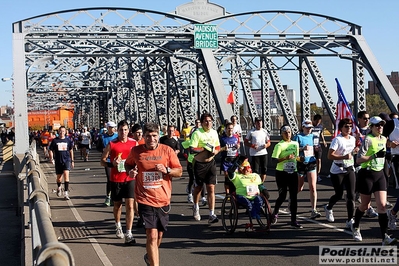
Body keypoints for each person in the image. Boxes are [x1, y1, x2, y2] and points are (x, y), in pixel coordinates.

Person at [124, 122, 182, 266]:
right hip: (144, 199)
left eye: (154, 136)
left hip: (163, 199)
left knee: (159, 235)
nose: (151, 139)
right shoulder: (136, 151)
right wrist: (130, 172)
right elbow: (128, 164)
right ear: (143, 136)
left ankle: (150, 256)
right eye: (148, 136)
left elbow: (179, 172)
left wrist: (167, 170)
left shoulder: (167, 151)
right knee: (152, 234)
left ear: (159, 136)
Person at [351, 116, 397, 245]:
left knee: (382, 206)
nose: (380, 127)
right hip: (367, 174)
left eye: (381, 125)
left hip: (380, 174)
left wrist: (386, 161)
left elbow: (385, 148)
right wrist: (374, 156)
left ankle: (385, 237)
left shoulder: (383, 138)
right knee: (364, 206)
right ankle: (356, 226)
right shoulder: (368, 140)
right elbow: (358, 159)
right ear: (371, 127)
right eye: (377, 125)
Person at [100, 120, 138, 245]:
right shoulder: (112, 144)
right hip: (116, 178)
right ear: (118, 131)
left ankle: (129, 232)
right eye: (121, 130)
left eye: (126, 130)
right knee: (117, 205)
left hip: (130, 178)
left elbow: (139, 159)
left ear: (129, 131)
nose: (123, 132)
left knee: (130, 205)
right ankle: (118, 225)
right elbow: (102, 161)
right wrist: (112, 164)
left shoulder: (134, 143)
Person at [324, 118, 358, 229]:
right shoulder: (337, 140)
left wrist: (355, 151)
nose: (348, 129)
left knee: (351, 195)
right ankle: (329, 207)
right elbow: (329, 156)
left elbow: (351, 153)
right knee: (338, 194)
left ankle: (349, 220)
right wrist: (343, 157)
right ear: (341, 128)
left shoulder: (352, 139)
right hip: (337, 170)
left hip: (349, 169)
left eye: (350, 126)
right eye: (346, 126)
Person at [190, 113, 221, 223]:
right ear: (202, 123)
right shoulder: (197, 133)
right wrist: (204, 149)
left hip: (211, 163)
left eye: (210, 121)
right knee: (198, 188)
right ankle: (196, 206)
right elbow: (192, 149)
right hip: (199, 164)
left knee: (211, 188)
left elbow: (217, 146)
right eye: (206, 121)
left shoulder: (214, 132)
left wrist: (216, 151)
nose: (208, 123)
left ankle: (211, 214)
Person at [271, 125, 302, 228]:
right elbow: (274, 160)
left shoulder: (295, 144)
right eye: (285, 133)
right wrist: (285, 158)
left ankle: (293, 220)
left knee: (294, 197)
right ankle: (275, 212)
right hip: (281, 173)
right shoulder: (279, 145)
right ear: (281, 134)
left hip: (293, 172)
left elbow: (296, 157)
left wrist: (300, 159)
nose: (288, 134)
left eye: (289, 132)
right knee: (282, 196)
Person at [293, 120, 321, 219]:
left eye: (310, 128)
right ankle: (291, 199)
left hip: (311, 162)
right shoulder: (298, 137)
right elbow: (293, 150)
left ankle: (313, 209)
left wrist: (317, 149)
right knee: (300, 187)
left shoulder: (313, 137)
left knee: (313, 187)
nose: (309, 129)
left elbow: (317, 146)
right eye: (307, 128)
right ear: (303, 127)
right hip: (301, 162)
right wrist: (301, 149)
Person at [356, 111, 379, 217]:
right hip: (358, 160)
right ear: (359, 119)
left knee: (367, 188)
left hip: (370, 162)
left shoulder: (371, 130)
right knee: (362, 189)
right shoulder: (354, 130)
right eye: (365, 118)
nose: (367, 120)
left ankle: (368, 208)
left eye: (368, 118)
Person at [48, 126, 74, 200]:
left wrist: (72, 160)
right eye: (60, 131)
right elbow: (50, 150)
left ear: (65, 132)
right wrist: (51, 158)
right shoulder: (55, 141)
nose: (61, 132)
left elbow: (71, 150)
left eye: (63, 131)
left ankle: (66, 193)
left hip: (66, 160)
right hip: (58, 161)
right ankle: (59, 187)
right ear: (58, 132)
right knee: (59, 178)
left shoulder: (68, 140)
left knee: (66, 175)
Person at [244, 117, 271, 182]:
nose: (259, 123)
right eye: (258, 122)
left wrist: (266, 145)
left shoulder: (265, 131)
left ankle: (261, 183)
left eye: (260, 122)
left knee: (264, 169)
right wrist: (252, 145)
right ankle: (256, 183)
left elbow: (269, 142)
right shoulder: (251, 132)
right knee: (255, 170)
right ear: (255, 123)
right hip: (254, 153)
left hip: (263, 152)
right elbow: (245, 142)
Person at [101, 121, 118, 206]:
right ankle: (108, 196)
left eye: (114, 127)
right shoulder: (103, 137)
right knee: (109, 179)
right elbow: (98, 147)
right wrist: (104, 151)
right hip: (108, 160)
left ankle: (116, 196)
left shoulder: (117, 136)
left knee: (118, 178)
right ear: (108, 128)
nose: (113, 129)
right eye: (111, 127)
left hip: (118, 160)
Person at [220, 122, 240, 194]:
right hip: (226, 160)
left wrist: (238, 146)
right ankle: (227, 194)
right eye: (228, 128)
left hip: (234, 159)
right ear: (226, 129)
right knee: (227, 178)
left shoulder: (236, 137)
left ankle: (234, 192)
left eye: (231, 128)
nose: (230, 130)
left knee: (235, 178)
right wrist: (223, 148)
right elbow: (218, 148)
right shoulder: (222, 138)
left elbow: (238, 144)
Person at [312, 114, 327, 182]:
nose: (318, 123)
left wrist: (323, 141)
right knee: (311, 161)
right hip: (311, 146)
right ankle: (309, 172)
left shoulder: (320, 127)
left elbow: (321, 134)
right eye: (317, 121)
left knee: (319, 160)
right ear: (314, 120)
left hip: (318, 145)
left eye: (319, 121)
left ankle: (318, 175)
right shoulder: (310, 126)